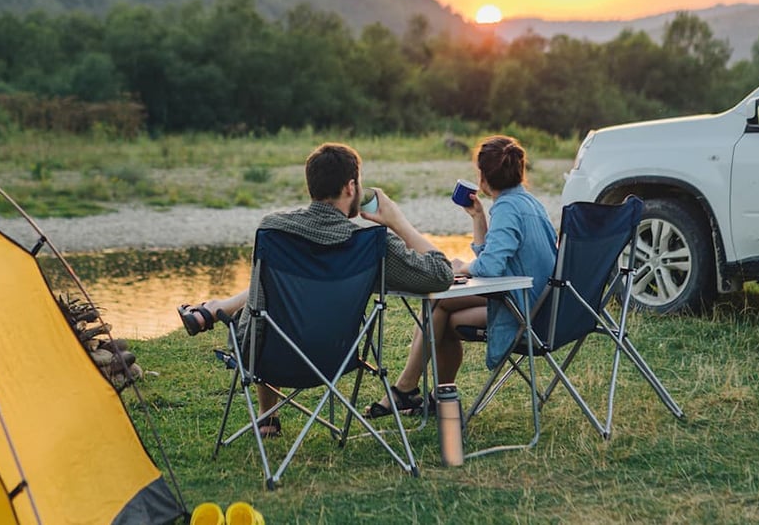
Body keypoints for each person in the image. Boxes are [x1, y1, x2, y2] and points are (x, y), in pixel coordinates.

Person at [176, 142, 454, 437]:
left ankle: (267, 416)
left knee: (263, 306)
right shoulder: (370, 244)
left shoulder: (274, 230)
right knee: (264, 299)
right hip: (337, 357)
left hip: (268, 357)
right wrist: (398, 222)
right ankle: (216, 310)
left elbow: (259, 302)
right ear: (350, 187)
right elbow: (441, 275)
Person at [365, 134, 558, 418]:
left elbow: (489, 268)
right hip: (540, 303)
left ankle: (406, 390)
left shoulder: (507, 208)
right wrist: (478, 218)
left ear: (482, 177)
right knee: (443, 313)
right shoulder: (528, 203)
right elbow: (494, 257)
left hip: (524, 310)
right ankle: (433, 396)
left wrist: (460, 268)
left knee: (439, 306)